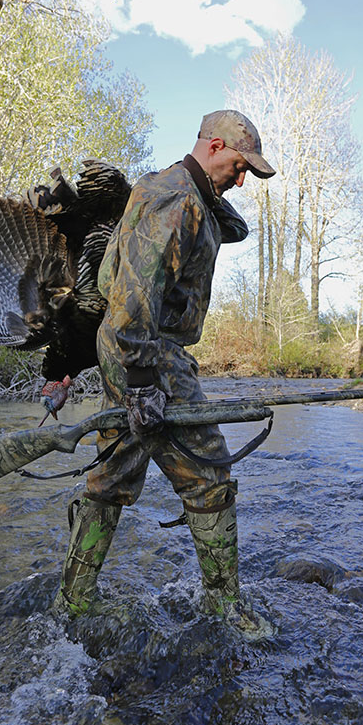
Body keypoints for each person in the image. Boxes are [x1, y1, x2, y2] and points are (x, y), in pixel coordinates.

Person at [54, 110, 276, 633]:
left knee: (114, 473)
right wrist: (141, 384)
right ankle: (224, 609)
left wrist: (214, 199)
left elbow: (228, 228)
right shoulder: (176, 201)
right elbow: (133, 296)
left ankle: (72, 604)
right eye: (240, 166)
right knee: (209, 471)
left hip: (135, 345)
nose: (243, 180)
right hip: (146, 348)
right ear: (215, 145)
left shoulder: (186, 193)